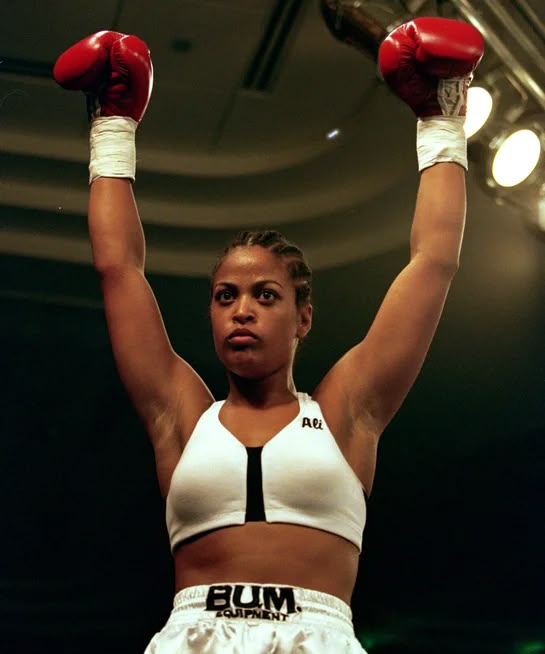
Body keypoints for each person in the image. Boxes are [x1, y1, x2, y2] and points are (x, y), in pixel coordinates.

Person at [53, 8, 484, 653]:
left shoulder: (348, 409)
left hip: (318, 635)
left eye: (265, 295)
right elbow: (119, 270)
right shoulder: (181, 415)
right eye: (226, 296)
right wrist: (113, 124)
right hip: (191, 633)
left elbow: (433, 264)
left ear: (302, 317)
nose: (242, 310)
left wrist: (441, 119)